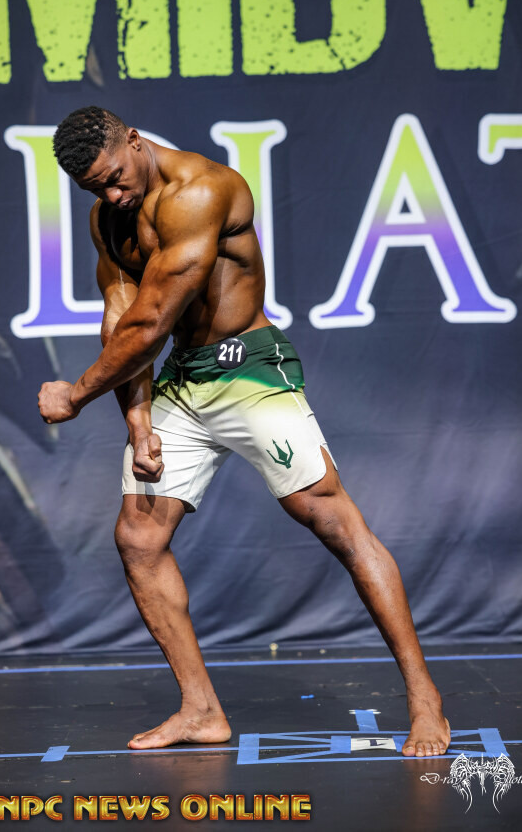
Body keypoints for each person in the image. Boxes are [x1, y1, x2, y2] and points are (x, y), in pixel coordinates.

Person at [39, 106, 451, 757]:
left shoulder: (201, 191)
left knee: (333, 521)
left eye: (115, 178)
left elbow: (150, 321)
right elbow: (120, 318)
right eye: (96, 188)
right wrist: (138, 423)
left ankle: (426, 700)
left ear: (136, 141)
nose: (112, 196)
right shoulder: (108, 219)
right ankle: (201, 710)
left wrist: (77, 394)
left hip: (250, 369)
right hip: (184, 379)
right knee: (139, 537)